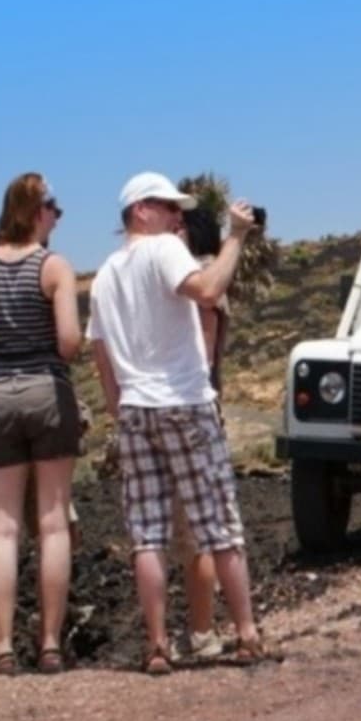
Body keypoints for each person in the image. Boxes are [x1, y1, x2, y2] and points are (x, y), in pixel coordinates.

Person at [87, 172, 264, 675]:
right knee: (220, 524)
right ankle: (247, 634)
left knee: (147, 533)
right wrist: (235, 236)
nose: (176, 216)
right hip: (183, 400)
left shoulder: (103, 275)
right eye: (168, 207)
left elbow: (101, 355)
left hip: (136, 409)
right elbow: (208, 290)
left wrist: (118, 409)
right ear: (141, 210)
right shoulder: (163, 251)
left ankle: (158, 643)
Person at [0, 173, 81, 675]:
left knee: (2, 529)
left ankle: (2, 649)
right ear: (37, 210)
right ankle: (48, 643)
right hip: (48, 388)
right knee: (52, 523)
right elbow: (69, 341)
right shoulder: (53, 267)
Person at [169, 206, 234, 659]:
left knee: (195, 529)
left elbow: (203, 348)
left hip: (192, 407)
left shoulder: (204, 280)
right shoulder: (204, 277)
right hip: (199, 407)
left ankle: (201, 628)